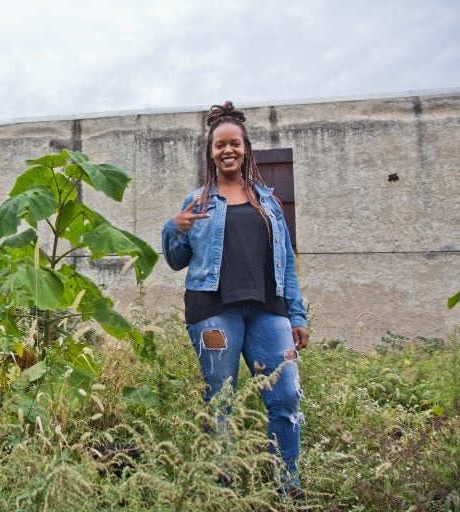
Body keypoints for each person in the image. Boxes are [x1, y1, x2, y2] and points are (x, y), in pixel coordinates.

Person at [161, 101, 308, 494]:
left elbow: (287, 262)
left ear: (246, 149)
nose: (228, 151)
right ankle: (220, 486)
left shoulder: (269, 203)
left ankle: (287, 488)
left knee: (287, 396)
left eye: (235, 144)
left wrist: (298, 315)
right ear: (210, 153)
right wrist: (172, 228)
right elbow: (176, 261)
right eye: (219, 145)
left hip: (268, 311)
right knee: (221, 397)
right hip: (213, 311)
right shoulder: (197, 202)